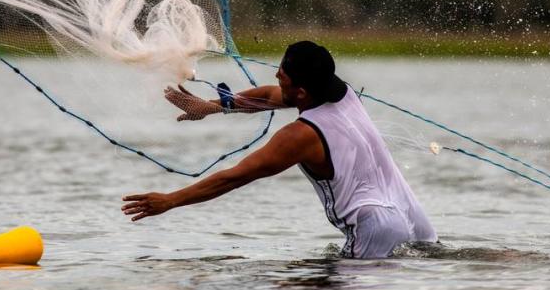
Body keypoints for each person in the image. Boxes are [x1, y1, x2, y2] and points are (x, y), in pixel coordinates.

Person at [121, 41, 437, 258]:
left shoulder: (301, 136)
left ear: (301, 91)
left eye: (282, 73)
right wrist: (212, 107)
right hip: (414, 219)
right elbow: (272, 96)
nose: (276, 75)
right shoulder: (339, 92)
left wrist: (170, 201)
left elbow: (234, 177)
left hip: (374, 228)